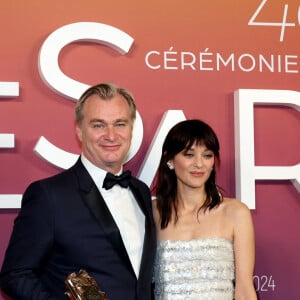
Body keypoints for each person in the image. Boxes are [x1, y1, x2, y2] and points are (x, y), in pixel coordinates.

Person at [0, 83, 156, 300]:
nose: (111, 135)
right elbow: (15, 274)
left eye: (120, 124)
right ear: (80, 131)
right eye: (98, 125)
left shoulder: (141, 192)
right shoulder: (49, 196)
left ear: (131, 129)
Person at [152, 119, 257, 300]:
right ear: (170, 159)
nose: (199, 164)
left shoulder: (235, 213)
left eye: (207, 155)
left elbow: (245, 290)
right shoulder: (153, 212)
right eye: (189, 155)